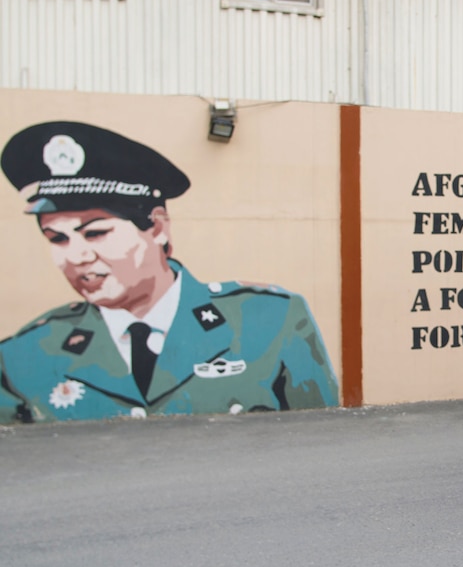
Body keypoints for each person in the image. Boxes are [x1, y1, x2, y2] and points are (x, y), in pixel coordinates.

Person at [0, 121, 339, 423]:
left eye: (96, 232)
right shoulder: (24, 354)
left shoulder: (270, 321)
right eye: (57, 238)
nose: (77, 255)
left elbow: (318, 452)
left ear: (158, 227)